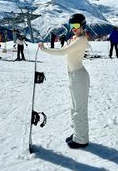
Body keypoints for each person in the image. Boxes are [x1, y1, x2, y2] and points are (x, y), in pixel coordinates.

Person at [38, 13, 90, 149]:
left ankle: (81, 139)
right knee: (74, 108)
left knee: (79, 109)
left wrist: (44, 49)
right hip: (73, 75)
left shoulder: (81, 40)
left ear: (82, 26)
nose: (74, 28)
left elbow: (63, 52)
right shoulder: (76, 38)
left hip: (79, 76)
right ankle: (77, 134)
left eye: (77, 26)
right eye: (72, 26)